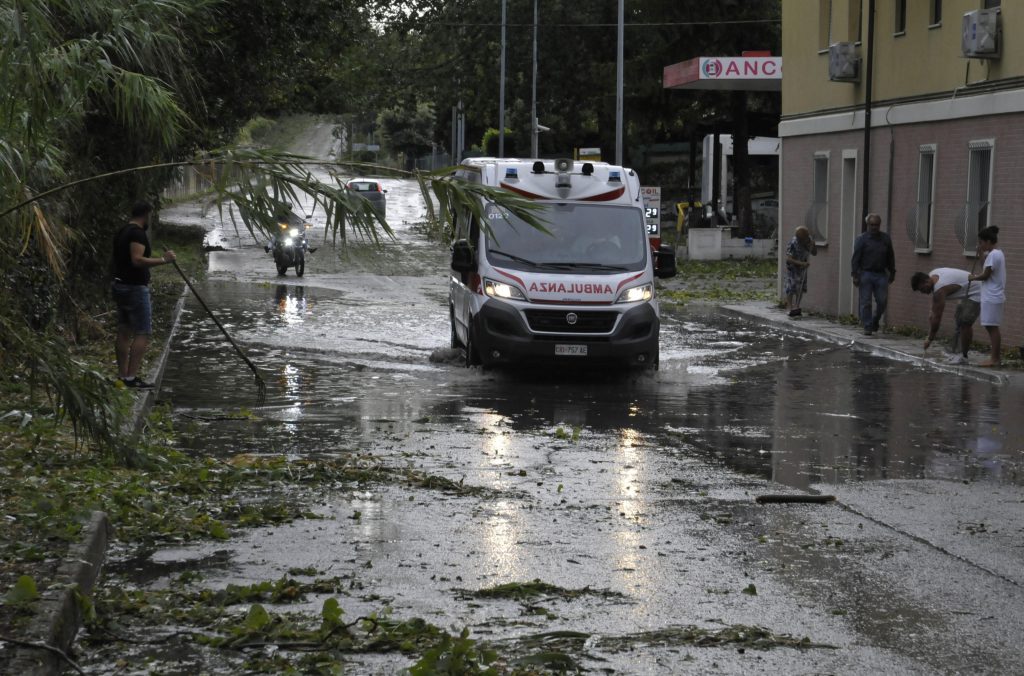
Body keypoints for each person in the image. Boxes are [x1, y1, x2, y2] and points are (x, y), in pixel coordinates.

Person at [111, 201, 175, 388]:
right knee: (143, 332)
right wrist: (164, 260)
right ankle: (131, 378)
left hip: (120, 285)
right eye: (151, 216)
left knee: (124, 331)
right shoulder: (137, 233)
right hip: (134, 288)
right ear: (146, 214)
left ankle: (122, 377)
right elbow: (137, 260)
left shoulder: (122, 231)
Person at [910, 268, 981, 365]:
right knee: (959, 320)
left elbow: (937, 318)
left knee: (965, 323)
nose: (923, 292)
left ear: (926, 281)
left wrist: (930, 338)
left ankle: (963, 357)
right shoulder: (932, 274)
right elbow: (934, 308)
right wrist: (932, 312)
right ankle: (957, 353)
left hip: (977, 292)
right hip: (967, 291)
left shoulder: (940, 289)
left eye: (922, 289)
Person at [851, 213, 896, 336]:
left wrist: (892, 271)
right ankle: (867, 326)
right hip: (866, 274)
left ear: (879, 225)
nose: (874, 227)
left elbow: (890, 256)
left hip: (881, 274)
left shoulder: (885, 239)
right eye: (872, 225)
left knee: (882, 301)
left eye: (876, 225)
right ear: (867, 225)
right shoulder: (862, 239)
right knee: (866, 301)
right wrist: (855, 275)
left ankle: (875, 320)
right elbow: (855, 258)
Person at [969, 226, 1006, 367]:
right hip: (992, 296)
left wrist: (973, 278)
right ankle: (995, 358)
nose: (980, 245)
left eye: (981, 242)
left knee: (992, 327)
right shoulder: (995, 254)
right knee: (991, 327)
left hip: (992, 296)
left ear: (988, 241)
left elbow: (985, 275)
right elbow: (985, 267)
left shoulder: (994, 255)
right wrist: (980, 254)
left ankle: (994, 359)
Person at [784, 225, 817, 317]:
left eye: (807, 237)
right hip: (793, 268)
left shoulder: (808, 240)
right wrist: (801, 263)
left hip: (802, 269)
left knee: (800, 288)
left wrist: (813, 246)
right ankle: (789, 307)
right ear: (800, 238)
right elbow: (789, 259)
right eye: (804, 238)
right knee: (791, 287)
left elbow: (814, 253)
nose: (806, 239)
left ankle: (797, 306)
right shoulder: (793, 243)